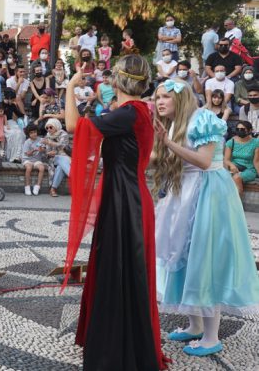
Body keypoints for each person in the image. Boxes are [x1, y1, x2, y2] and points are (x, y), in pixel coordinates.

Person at [63, 54, 165, 370]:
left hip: (126, 202)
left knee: (120, 272)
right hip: (127, 198)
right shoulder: (133, 112)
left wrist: (70, 88)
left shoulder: (129, 114)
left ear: (117, 80)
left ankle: (117, 350)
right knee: (121, 272)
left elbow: (72, 126)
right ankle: (119, 341)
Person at [153, 79, 259, 358]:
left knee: (207, 260)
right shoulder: (175, 122)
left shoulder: (203, 120)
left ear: (182, 98)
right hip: (186, 194)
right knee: (189, 258)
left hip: (209, 194)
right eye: (157, 97)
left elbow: (202, 161)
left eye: (165, 97)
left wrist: (167, 143)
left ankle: (212, 337)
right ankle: (195, 324)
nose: (159, 102)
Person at [223, 120, 259, 198]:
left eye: (242, 129)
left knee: (237, 178)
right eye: (238, 129)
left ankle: (237, 204)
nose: (240, 131)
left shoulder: (256, 142)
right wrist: (232, 165)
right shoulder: (231, 142)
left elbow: (256, 161)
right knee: (225, 177)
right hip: (234, 167)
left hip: (249, 168)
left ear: (250, 130)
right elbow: (226, 160)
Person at [43, 118, 70, 197]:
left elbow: (62, 145)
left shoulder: (63, 134)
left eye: (51, 127)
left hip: (64, 157)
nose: (48, 129)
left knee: (60, 168)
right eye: (47, 128)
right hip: (54, 159)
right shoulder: (47, 136)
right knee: (60, 158)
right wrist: (47, 152)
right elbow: (47, 152)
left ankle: (53, 189)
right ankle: (73, 175)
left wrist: (50, 143)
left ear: (56, 126)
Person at [21, 125, 46, 196]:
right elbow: (27, 154)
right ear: (28, 134)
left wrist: (41, 149)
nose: (34, 134)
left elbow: (44, 149)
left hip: (37, 159)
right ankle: (27, 186)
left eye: (35, 132)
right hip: (27, 159)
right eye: (31, 133)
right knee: (29, 168)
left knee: (42, 168)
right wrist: (33, 150)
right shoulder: (27, 142)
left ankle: (37, 186)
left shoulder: (40, 140)